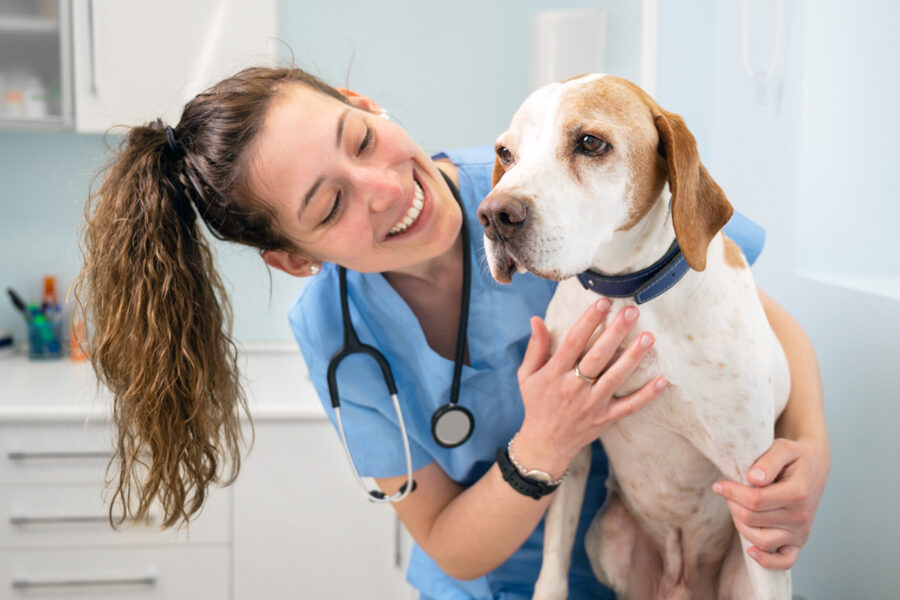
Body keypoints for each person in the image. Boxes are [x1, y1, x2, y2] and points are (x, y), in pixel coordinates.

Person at [75, 67, 829, 599]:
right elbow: (445, 539)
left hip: (612, 568)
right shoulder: (338, 334)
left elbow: (753, 320)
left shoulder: (527, 189)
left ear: (366, 103)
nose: (385, 187)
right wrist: (548, 441)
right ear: (295, 261)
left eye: (360, 138)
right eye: (330, 204)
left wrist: (811, 453)